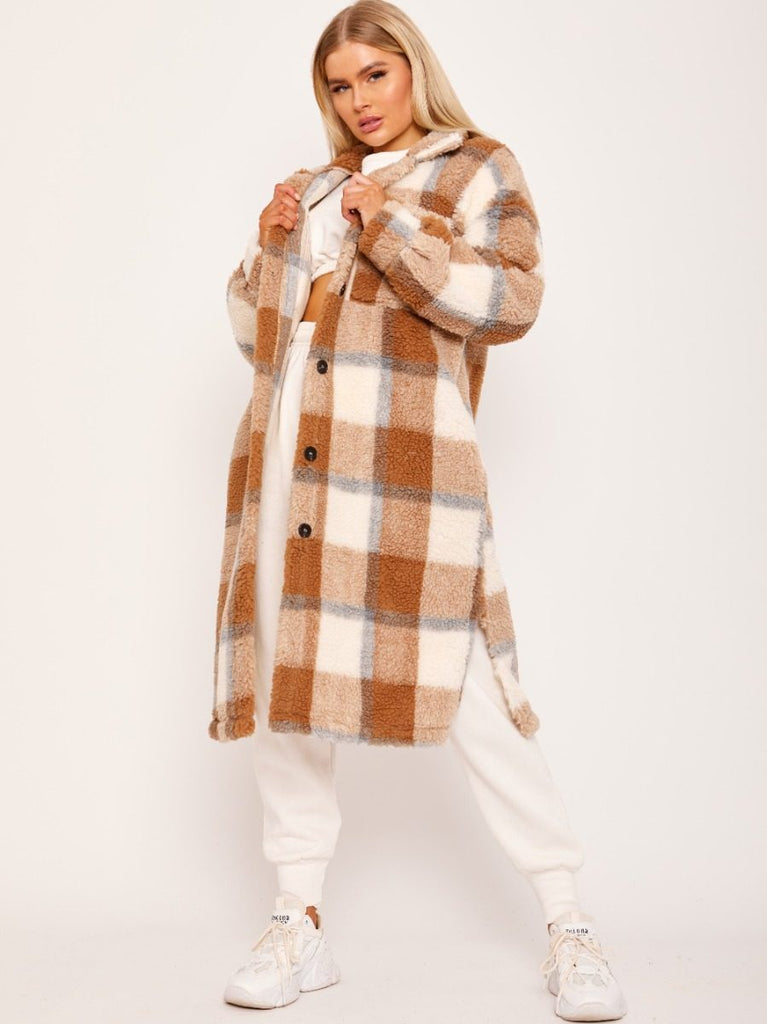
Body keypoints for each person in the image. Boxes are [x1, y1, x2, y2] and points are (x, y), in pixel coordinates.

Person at [215, 2, 628, 1019]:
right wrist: (270, 247)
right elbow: (257, 337)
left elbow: (512, 302)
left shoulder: (475, 168)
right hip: (289, 465)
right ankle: (298, 920)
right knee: (286, 685)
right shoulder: (316, 188)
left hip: (403, 473)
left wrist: (389, 227)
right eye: (339, 85)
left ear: (412, 70)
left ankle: (567, 922)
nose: (358, 100)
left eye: (374, 74)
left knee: (470, 690)